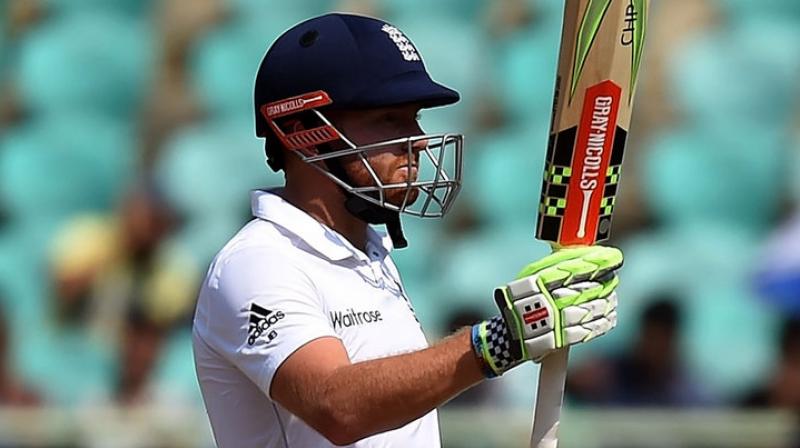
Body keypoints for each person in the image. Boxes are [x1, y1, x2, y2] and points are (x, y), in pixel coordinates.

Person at [192, 13, 623, 447]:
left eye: (413, 118)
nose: (417, 140)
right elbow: (336, 407)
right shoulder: (257, 263)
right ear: (303, 132)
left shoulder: (369, 253)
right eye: (389, 120)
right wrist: (500, 342)